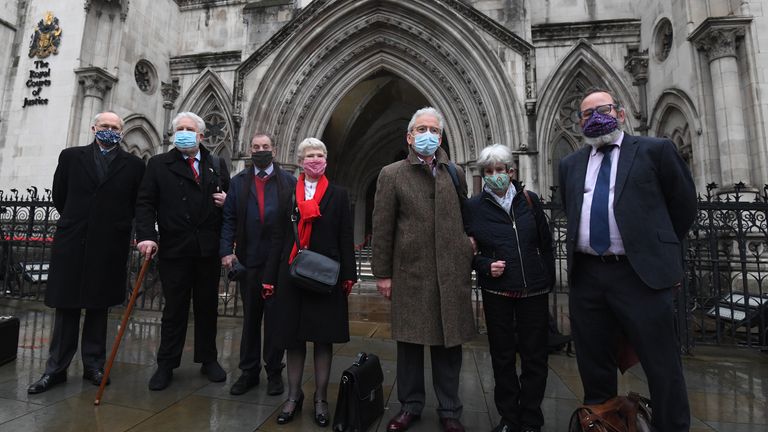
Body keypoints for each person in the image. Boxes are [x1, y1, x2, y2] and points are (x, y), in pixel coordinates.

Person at [558, 88, 696, 431]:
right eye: (587, 114)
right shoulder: (570, 164)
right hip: (588, 276)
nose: (595, 117)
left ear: (620, 114)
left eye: (602, 110)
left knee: (662, 366)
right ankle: (602, 425)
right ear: (579, 123)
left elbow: (684, 206)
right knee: (594, 366)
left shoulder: (655, 151)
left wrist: (656, 252)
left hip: (639, 275)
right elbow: (572, 210)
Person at [372, 107, 475, 432]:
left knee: (449, 345)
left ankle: (450, 410)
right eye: (421, 129)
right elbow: (383, 226)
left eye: (433, 130)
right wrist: (383, 274)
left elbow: (466, 214)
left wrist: (469, 243)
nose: (427, 135)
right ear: (409, 136)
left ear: (441, 137)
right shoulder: (391, 174)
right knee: (410, 345)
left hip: (449, 272)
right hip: (410, 272)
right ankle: (410, 405)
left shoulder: (455, 172)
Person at [28, 111, 145, 394]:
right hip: (73, 240)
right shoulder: (71, 157)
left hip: (109, 244)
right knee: (66, 306)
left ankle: (94, 365)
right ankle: (56, 369)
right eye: (105, 126)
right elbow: (60, 196)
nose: (110, 130)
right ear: (94, 128)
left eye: (116, 127)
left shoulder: (133, 165)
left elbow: (135, 202)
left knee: (98, 306)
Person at [262, 137, 356, 427]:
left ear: (325, 159)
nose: (315, 159)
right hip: (292, 274)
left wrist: (349, 275)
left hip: (326, 275)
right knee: (294, 339)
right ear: (301, 160)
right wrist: (268, 278)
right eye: (310, 155)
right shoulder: (289, 193)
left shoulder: (339, 195)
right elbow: (278, 237)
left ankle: (320, 399)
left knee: (323, 339)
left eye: (320, 154)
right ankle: (293, 396)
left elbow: (345, 236)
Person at [135, 111, 230, 391]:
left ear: (201, 136)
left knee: (207, 307)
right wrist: (146, 236)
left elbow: (231, 202)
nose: (184, 133)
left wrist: (228, 200)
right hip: (175, 248)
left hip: (207, 249)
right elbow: (145, 203)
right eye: (179, 129)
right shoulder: (158, 164)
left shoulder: (216, 163)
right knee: (174, 309)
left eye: (190, 129)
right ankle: (166, 363)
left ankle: (208, 359)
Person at [463, 144, 554, 432]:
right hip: (498, 292)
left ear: (511, 172)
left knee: (534, 357)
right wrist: (483, 265)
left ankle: (530, 418)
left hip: (534, 292)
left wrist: (546, 278)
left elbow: (546, 243)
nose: (495, 176)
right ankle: (509, 418)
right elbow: (467, 251)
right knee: (502, 357)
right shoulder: (474, 207)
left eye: (500, 170)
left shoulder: (530, 201)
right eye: (488, 171)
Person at [220, 132, 294, 396]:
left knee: (274, 321)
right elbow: (228, 219)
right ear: (249, 150)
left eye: (265, 147)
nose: (260, 150)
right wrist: (227, 252)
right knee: (251, 319)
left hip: (277, 263)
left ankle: (274, 372)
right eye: (255, 147)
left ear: (273, 150)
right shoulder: (238, 182)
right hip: (249, 262)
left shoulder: (288, 181)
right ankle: (249, 372)